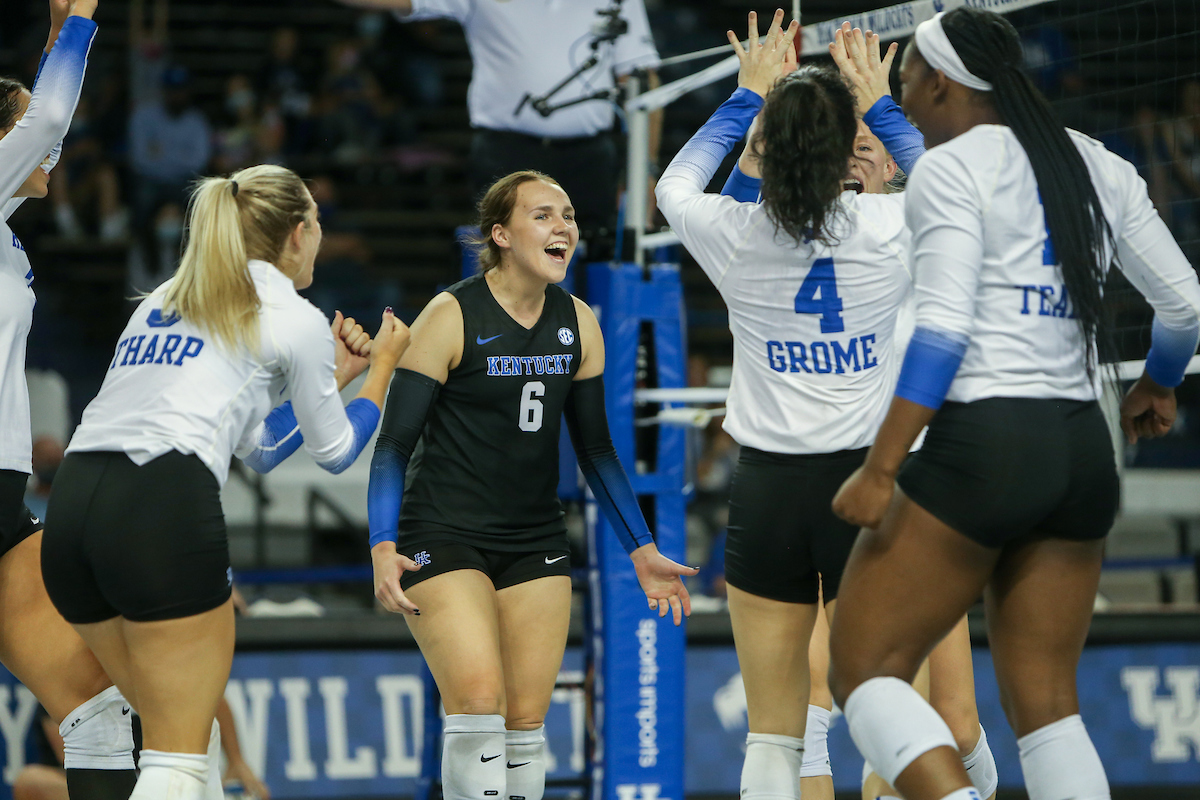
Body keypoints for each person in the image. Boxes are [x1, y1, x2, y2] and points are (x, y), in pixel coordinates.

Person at [827, 8, 1200, 800]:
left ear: (939, 84)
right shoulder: (1098, 163)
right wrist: (1158, 382)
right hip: (1081, 448)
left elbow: (945, 331)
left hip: (988, 445)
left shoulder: (953, 170)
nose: (907, 102)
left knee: (864, 671)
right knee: (1050, 711)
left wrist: (880, 467)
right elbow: (1186, 308)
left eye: (907, 86)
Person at [41, 162, 410, 800]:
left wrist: (339, 376)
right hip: (159, 503)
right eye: (318, 225)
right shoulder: (293, 316)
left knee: (181, 738)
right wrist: (380, 369)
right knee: (178, 756)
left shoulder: (166, 294)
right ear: (297, 233)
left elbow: (262, 447)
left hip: (72, 508)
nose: (319, 239)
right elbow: (337, 451)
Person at [366, 168, 696, 800]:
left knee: (524, 721)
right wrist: (383, 544)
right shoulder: (450, 314)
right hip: (441, 531)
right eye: (543, 215)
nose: (563, 227)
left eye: (568, 215)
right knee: (478, 698)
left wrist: (642, 548)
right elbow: (393, 447)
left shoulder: (581, 323)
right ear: (503, 235)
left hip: (534, 535)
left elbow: (597, 451)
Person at [656, 12, 904, 800]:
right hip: (866, 492)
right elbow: (957, 188)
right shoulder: (890, 223)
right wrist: (883, 101)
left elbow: (672, 187)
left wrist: (746, 93)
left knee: (776, 733)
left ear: (766, 148)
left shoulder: (733, 232)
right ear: (847, 151)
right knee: (889, 714)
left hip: (766, 491)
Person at [0, 3, 142, 798]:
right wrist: (85, 16)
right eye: (25, 134)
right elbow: (48, 114)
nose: (51, 147)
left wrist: (59, 39)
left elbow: (48, 116)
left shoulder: (4, 222)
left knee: (94, 704)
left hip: (3, 505)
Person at [332, 0, 662, 256]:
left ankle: (583, 344)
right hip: (507, 154)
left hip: (589, 161)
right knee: (503, 272)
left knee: (592, 271)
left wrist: (644, 171)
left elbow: (642, 80)